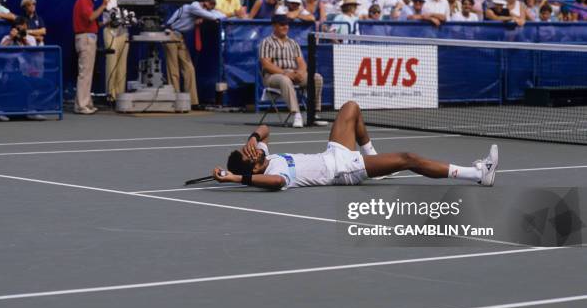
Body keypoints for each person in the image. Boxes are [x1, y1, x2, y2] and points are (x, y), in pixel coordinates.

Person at [213, 101, 499, 190]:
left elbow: (264, 130)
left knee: (350, 108)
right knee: (408, 158)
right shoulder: (269, 173)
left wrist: (252, 139)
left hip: (333, 153)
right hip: (343, 171)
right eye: (249, 155)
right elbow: (275, 183)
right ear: (251, 168)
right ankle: (478, 174)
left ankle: (375, 161)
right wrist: (238, 178)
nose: (253, 152)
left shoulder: (261, 155)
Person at [258, 11, 325, 128]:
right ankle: (297, 114)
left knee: (316, 78)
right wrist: (285, 73)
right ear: (274, 26)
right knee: (285, 80)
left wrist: (301, 73)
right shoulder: (266, 42)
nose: (285, 27)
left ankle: (313, 114)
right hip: (273, 76)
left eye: (287, 24)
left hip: (293, 74)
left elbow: (301, 62)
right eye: (282, 25)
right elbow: (266, 64)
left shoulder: (293, 43)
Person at [165, 0, 225, 108]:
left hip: (180, 37)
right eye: (208, 7)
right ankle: (174, 99)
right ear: (204, 2)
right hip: (171, 34)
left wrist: (219, 16)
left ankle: (191, 101)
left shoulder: (200, 11)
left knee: (189, 68)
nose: (207, 11)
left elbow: (218, 15)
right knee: (173, 69)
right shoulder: (193, 6)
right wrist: (214, 17)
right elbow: (211, 16)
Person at [73, 0, 109, 115]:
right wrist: (104, 5)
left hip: (89, 36)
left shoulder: (87, 1)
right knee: (84, 74)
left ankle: (85, 102)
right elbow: (90, 17)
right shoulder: (83, 0)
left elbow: (92, 22)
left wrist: (104, 22)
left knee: (87, 73)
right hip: (86, 38)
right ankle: (81, 105)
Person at [102, 0, 129, 104]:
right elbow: (108, 18)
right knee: (111, 63)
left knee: (122, 65)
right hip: (110, 31)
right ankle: (110, 95)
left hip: (124, 32)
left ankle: (120, 94)